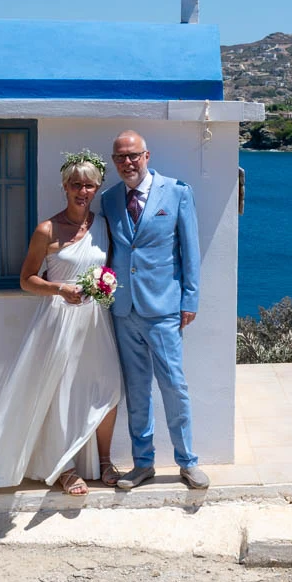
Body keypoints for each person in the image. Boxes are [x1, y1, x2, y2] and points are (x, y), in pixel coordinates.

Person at [0, 151, 123, 495]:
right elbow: (26, 279)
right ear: (64, 187)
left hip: (95, 319)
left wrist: (105, 284)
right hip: (58, 321)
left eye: (89, 185)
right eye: (75, 185)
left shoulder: (103, 225)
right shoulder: (47, 229)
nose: (82, 191)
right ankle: (65, 467)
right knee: (59, 392)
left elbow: (110, 267)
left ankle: (105, 460)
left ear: (97, 187)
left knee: (109, 388)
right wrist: (59, 288)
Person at [103, 130, 208, 489]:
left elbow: (190, 251)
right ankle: (142, 463)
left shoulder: (176, 192)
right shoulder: (110, 199)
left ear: (147, 156)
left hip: (164, 309)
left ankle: (188, 461)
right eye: (120, 157)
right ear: (114, 161)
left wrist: (190, 299)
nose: (127, 163)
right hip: (124, 310)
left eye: (133, 155)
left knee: (174, 386)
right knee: (137, 390)